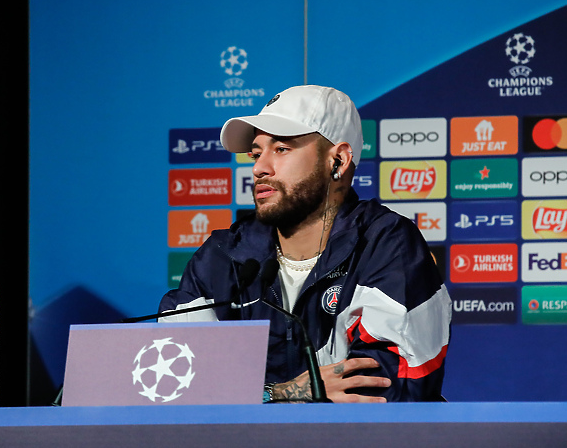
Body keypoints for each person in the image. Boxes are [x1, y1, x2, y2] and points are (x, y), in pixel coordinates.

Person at [159, 85, 451, 402]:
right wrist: (285, 393)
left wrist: (247, 394)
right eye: (256, 154)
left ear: (338, 161)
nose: (258, 168)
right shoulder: (220, 257)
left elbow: (382, 388)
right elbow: (172, 384)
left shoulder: (386, 244)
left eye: (281, 149)